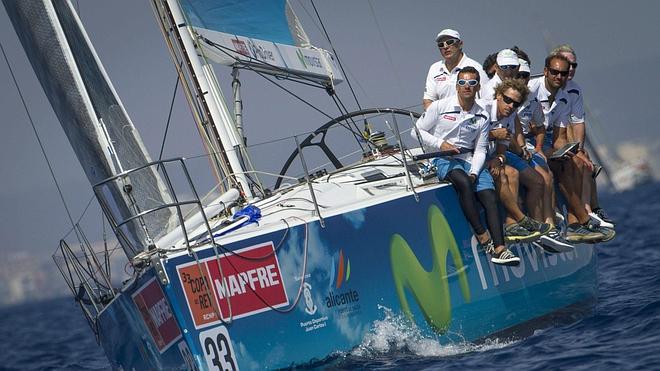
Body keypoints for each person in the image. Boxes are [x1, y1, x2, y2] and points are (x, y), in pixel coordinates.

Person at [414, 66, 519, 266]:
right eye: (462, 83)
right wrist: (441, 144)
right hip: (443, 157)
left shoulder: (482, 115)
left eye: (472, 83)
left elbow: (480, 150)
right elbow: (417, 132)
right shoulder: (439, 106)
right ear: (456, 86)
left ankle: (500, 249)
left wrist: (474, 173)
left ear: (478, 87)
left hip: (469, 158)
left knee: (488, 195)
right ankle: (483, 237)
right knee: (463, 183)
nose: (466, 87)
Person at [527, 54, 614, 243]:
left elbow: (560, 138)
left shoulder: (564, 97)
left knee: (572, 160)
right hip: (526, 142)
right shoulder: (531, 90)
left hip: (545, 142)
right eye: (554, 72)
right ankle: (582, 219)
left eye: (563, 73)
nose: (558, 76)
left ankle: (575, 224)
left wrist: (575, 152)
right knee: (558, 166)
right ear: (545, 72)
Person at [512, 58, 573, 252]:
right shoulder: (504, 97)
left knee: (547, 175)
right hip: (509, 148)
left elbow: (540, 127)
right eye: (518, 75)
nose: (521, 79)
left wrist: (538, 148)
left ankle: (551, 226)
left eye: (525, 76)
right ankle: (541, 226)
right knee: (540, 178)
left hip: (525, 147)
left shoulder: (531, 98)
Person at [552, 44, 615, 229]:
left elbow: (578, 122)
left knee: (585, 160)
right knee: (579, 162)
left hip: (565, 137)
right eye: (566, 65)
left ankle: (591, 209)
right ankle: (582, 213)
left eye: (574, 65)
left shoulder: (575, 89)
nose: (570, 69)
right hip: (552, 139)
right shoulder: (549, 87)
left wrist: (578, 149)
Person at [484, 79, 551, 243]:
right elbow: (467, 139)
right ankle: (514, 223)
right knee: (511, 173)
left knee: (538, 181)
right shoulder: (482, 110)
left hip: (493, 154)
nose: (510, 106)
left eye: (516, 103)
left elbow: (503, 144)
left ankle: (539, 230)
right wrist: (493, 135)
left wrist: (499, 158)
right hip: (474, 155)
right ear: (498, 96)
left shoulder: (511, 114)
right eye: (507, 100)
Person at [422, 29, 489, 109]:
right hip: (441, 119)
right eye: (441, 45)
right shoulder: (434, 68)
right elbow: (428, 101)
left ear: (460, 44)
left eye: (450, 42)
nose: (445, 47)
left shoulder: (477, 68)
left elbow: (486, 101)